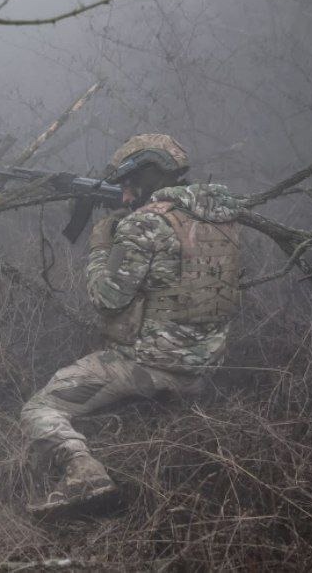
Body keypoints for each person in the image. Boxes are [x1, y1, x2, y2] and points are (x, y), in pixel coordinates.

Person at [21, 134, 242, 515]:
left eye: (129, 183)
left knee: (39, 408)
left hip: (150, 369)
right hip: (204, 367)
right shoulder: (223, 218)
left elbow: (106, 299)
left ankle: (84, 473)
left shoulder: (144, 224)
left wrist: (100, 246)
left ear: (148, 175)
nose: (125, 194)